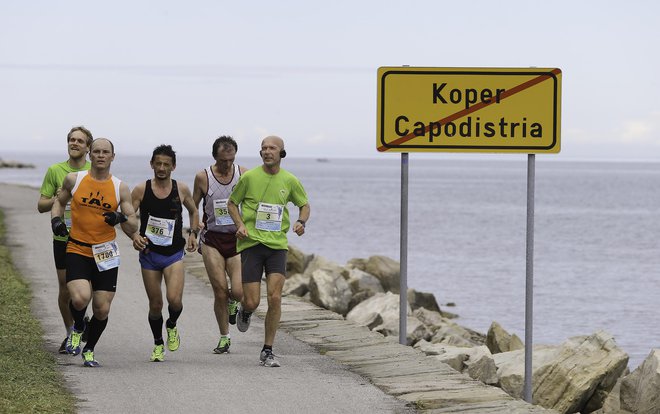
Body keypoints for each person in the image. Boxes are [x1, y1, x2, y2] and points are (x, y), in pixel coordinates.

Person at [50, 138, 138, 367]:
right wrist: (56, 221)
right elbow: (58, 203)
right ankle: (78, 326)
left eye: (105, 152)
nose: (100, 155)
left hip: (105, 252)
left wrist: (119, 217)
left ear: (112, 157)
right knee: (79, 298)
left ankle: (89, 349)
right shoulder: (74, 179)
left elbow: (133, 224)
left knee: (101, 308)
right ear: (90, 154)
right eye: (96, 151)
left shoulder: (120, 187)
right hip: (77, 247)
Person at [227, 135, 310, 367]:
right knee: (252, 302)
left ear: (281, 153)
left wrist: (302, 222)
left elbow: (304, 204)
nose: (267, 151)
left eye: (272, 148)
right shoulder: (250, 177)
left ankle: (268, 349)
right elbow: (232, 203)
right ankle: (245, 310)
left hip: (277, 246)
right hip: (252, 244)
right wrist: (240, 224)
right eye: (263, 148)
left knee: (275, 297)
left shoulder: (290, 180)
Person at [130, 145, 199, 362]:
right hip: (149, 254)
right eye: (158, 163)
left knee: (174, 300)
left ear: (173, 167)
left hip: (173, 253)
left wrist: (193, 233)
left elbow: (194, 211)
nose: (161, 168)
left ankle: (171, 324)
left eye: (166, 164)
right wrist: (134, 235)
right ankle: (158, 343)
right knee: (156, 305)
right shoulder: (141, 189)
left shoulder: (182, 189)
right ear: (151, 164)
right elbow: (129, 216)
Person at [37, 126, 93, 353]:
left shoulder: (94, 170)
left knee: (86, 289)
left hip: (89, 237)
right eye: (72, 140)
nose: (75, 143)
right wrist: (59, 198)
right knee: (65, 289)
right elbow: (41, 205)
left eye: (80, 141)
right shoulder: (55, 170)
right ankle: (71, 332)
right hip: (62, 236)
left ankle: (81, 321)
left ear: (88, 147)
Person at [193, 136, 247, 354]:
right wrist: (194, 226)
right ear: (215, 157)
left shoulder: (243, 173)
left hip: (236, 239)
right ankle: (225, 337)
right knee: (220, 291)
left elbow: (251, 203)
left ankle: (235, 304)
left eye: (231, 160)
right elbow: (193, 205)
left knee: (239, 291)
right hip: (212, 239)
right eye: (223, 160)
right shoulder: (203, 177)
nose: (227, 164)